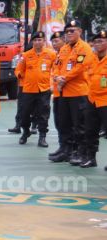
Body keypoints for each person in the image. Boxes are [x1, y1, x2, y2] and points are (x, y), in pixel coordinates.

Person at [51, 20, 93, 164]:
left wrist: (64, 78)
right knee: (64, 124)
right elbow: (56, 65)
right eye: (67, 31)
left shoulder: (84, 48)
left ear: (80, 31)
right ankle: (66, 150)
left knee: (79, 125)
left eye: (72, 31)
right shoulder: (64, 49)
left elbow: (80, 68)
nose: (69, 33)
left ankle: (80, 152)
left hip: (78, 93)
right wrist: (57, 77)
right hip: (63, 93)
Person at [14, 31, 56, 147]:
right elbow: (18, 70)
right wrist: (21, 76)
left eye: (40, 40)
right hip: (28, 90)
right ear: (32, 42)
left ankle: (42, 137)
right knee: (24, 113)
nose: (37, 42)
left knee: (43, 114)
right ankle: (26, 132)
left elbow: (56, 69)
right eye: (35, 40)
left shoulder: (51, 54)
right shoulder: (26, 55)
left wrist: (52, 82)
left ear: (44, 41)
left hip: (44, 89)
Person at [83, 30, 107, 168]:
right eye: (96, 41)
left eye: (101, 41)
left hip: (105, 100)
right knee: (90, 130)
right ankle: (91, 158)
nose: (97, 44)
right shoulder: (91, 58)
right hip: (92, 99)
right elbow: (86, 72)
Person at [48, 31, 67, 161]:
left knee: (67, 123)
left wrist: (60, 78)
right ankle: (63, 148)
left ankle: (69, 150)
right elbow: (55, 71)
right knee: (59, 122)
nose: (55, 44)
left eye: (57, 41)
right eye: (53, 42)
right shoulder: (58, 55)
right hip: (57, 93)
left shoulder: (67, 53)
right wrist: (56, 77)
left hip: (67, 92)